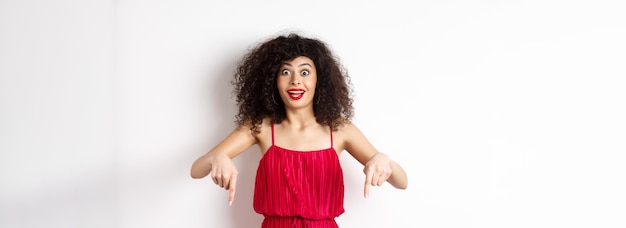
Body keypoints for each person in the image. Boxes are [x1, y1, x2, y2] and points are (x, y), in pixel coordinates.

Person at [190, 32, 408, 228]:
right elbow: (196, 169)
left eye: (305, 72)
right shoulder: (261, 127)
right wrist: (216, 157)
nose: (296, 81)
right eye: (286, 71)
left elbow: (402, 182)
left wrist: (383, 159)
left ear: (318, 80)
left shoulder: (340, 130)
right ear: (273, 81)